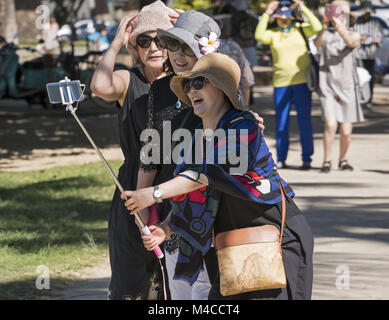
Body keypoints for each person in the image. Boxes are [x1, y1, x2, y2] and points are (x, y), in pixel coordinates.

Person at [121, 53, 314, 300]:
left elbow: (208, 173)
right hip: (234, 247)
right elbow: (192, 196)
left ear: (222, 90)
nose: (192, 90)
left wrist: (153, 193)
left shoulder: (243, 126)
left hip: (276, 240)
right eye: (188, 85)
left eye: (200, 83)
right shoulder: (194, 140)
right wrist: (167, 228)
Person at [90, 0, 179, 300]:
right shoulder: (130, 80)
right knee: (130, 282)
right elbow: (100, 86)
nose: (153, 47)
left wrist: (192, 31)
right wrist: (116, 41)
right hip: (132, 187)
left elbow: (221, 79)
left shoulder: (186, 81)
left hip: (176, 185)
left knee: (174, 281)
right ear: (136, 47)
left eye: (162, 39)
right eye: (144, 40)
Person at [255, 0, 322, 169]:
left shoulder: (300, 29)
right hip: (281, 83)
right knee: (282, 122)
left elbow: (317, 26)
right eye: (280, 16)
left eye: (287, 16)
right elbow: (259, 35)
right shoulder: (273, 34)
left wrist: (302, 6)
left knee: (304, 120)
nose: (284, 19)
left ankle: (307, 158)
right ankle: (281, 158)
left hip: (301, 82)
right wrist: (267, 12)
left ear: (292, 17)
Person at [314, 1, 364, 173]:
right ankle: (326, 161)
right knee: (330, 124)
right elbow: (316, 44)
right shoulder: (326, 35)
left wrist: (340, 26)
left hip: (347, 86)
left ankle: (343, 159)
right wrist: (323, 27)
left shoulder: (355, 34)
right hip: (327, 85)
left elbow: (350, 42)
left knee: (346, 130)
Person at [353, 1, 386, 108]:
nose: (366, 15)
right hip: (358, 55)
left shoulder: (376, 22)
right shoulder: (356, 22)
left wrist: (373, 40)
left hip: (371, 55)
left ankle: (368, 99)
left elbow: (380, 38)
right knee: (358, 77)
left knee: (370, 78)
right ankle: (359, 98)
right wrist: (360, 38)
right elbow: (352, 36)